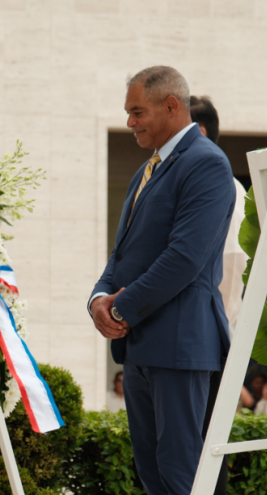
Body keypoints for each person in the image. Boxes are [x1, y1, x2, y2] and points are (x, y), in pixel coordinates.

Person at [88, 66, 235, 495]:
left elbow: (184, 259)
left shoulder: (207, 163)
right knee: (153, 476)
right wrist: (98, 298)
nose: (130, 122)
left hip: (180, 347)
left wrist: (119, 308)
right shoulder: (147, 169)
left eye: (137, 111)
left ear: (172, 106)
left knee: (182, 477)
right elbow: (123, 254)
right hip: (140, 347)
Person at [190, 94, 247, 495]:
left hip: (211, 342)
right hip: (198, 340)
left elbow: (227, 274)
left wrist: (216, 344)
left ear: (200, 132)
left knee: (208, 454)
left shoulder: (225, 188)